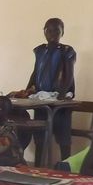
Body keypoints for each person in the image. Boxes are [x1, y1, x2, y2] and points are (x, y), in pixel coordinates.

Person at [11, 17, 77, 160]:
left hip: (60, 102)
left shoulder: (67, 51)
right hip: (41, 101)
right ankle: (38, 167)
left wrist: (62, 94)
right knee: (40, 138)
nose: (53, 34)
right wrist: (27, 90)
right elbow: (36, 72)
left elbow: (69, 75)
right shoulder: (40, 51)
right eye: (49, 30)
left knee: (63, 138)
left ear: (62, 32)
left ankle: (66, 168)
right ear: (44, 32)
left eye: (56, 31)